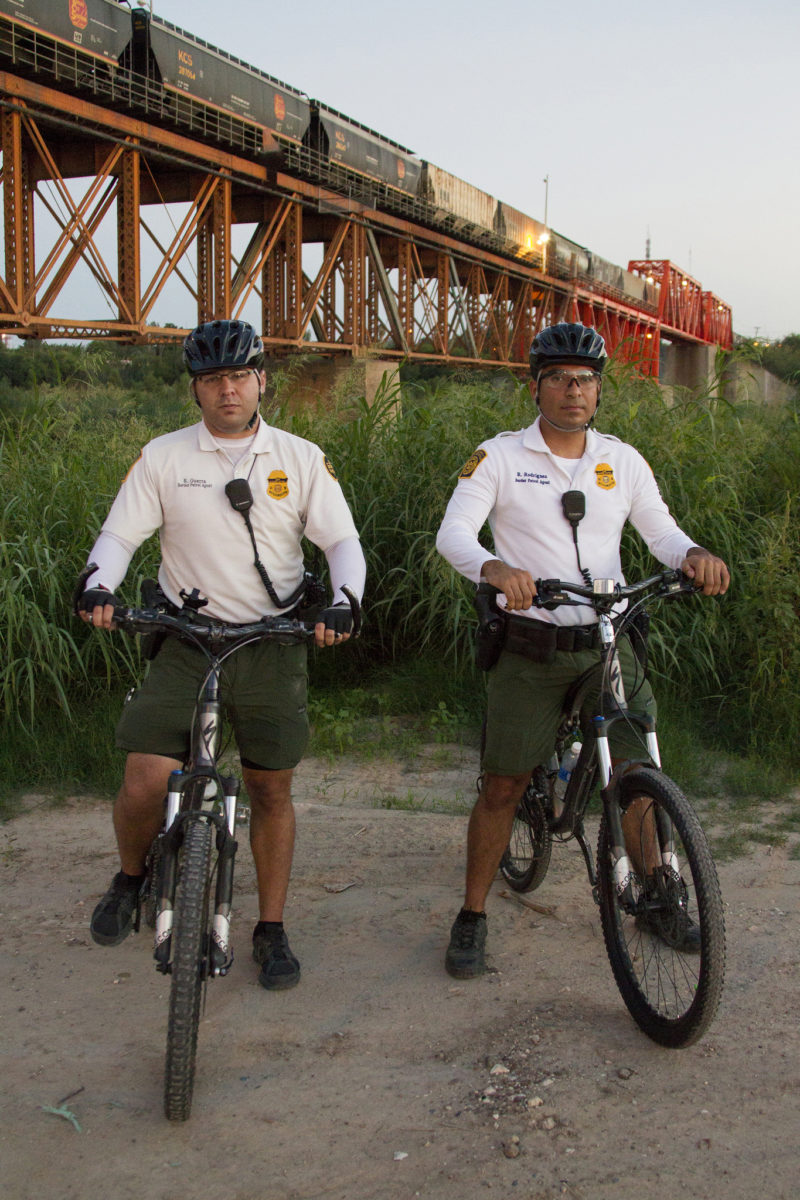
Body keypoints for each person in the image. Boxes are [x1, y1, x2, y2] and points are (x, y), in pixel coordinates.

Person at [76, 319, 366, 991]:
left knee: (270, 787)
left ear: (262, 380)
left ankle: (270, 927)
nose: (227, 391)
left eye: (239, 377)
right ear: (195, 390)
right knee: (145, 779)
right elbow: (119, 534)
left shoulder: (299, 457)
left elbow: (341, 542)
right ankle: (130, 876)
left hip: (272, 643)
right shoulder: (165, 457)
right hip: (186, 639)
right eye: (212, 380)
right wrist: (98, 586)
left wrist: (344, 600)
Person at [435, 321, 729, 979]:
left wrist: (695, 555)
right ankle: (472, 913)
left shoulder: (621, 460)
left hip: (609, 639)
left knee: (635, 774)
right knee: (504, 784)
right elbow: (455, 532)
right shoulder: (500, 456)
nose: (575, 391)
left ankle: (654, 892)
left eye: (587, 380)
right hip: (531, 644)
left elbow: (662, 532)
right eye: (562, 379)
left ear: (599, 391)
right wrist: (491, 569)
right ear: (535, 386)